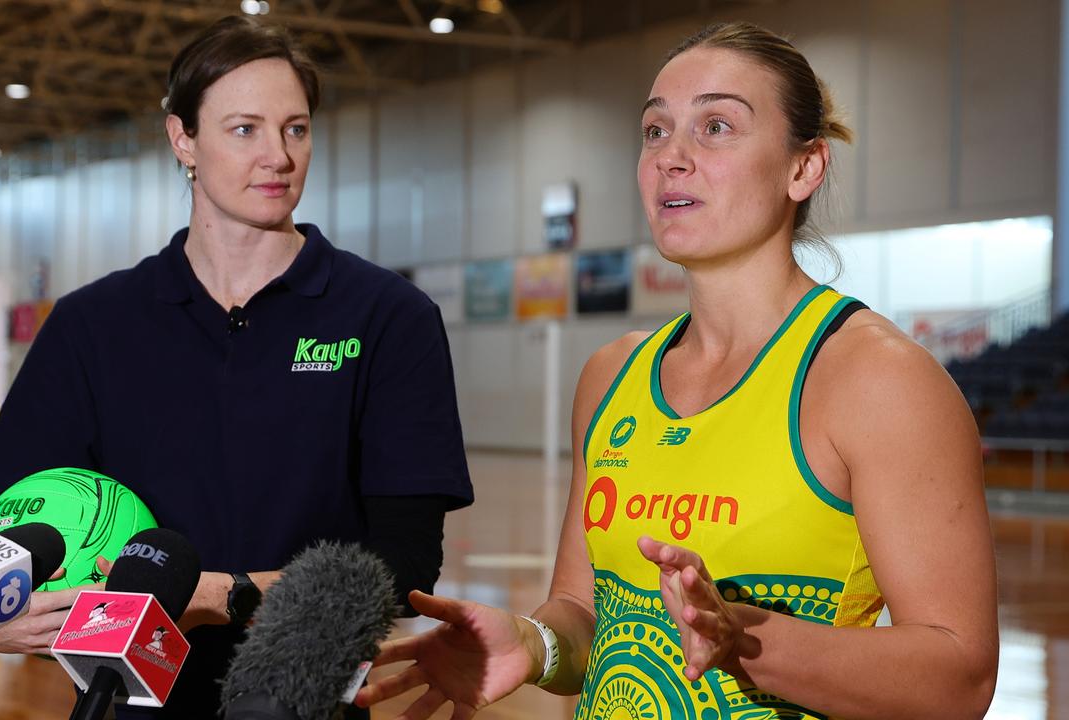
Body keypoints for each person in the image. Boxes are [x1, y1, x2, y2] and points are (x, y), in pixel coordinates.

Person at [356, 22, 998, 720]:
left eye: (716, 126)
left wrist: (745, 642)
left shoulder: (877, 381)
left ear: (804, 167)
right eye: (655, 131)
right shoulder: (612, 375)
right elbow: (583, 613)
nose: (673, 157)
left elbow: (959, 679)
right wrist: (534, 644)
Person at [0, 16, 473, 719]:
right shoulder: (91, 326)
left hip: (305, 702)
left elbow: (405, 564)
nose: (279, 157)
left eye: (296, 128)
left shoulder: (387, 317)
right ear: (182, 139)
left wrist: (224, 595)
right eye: (244, 129)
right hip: (118, 701)